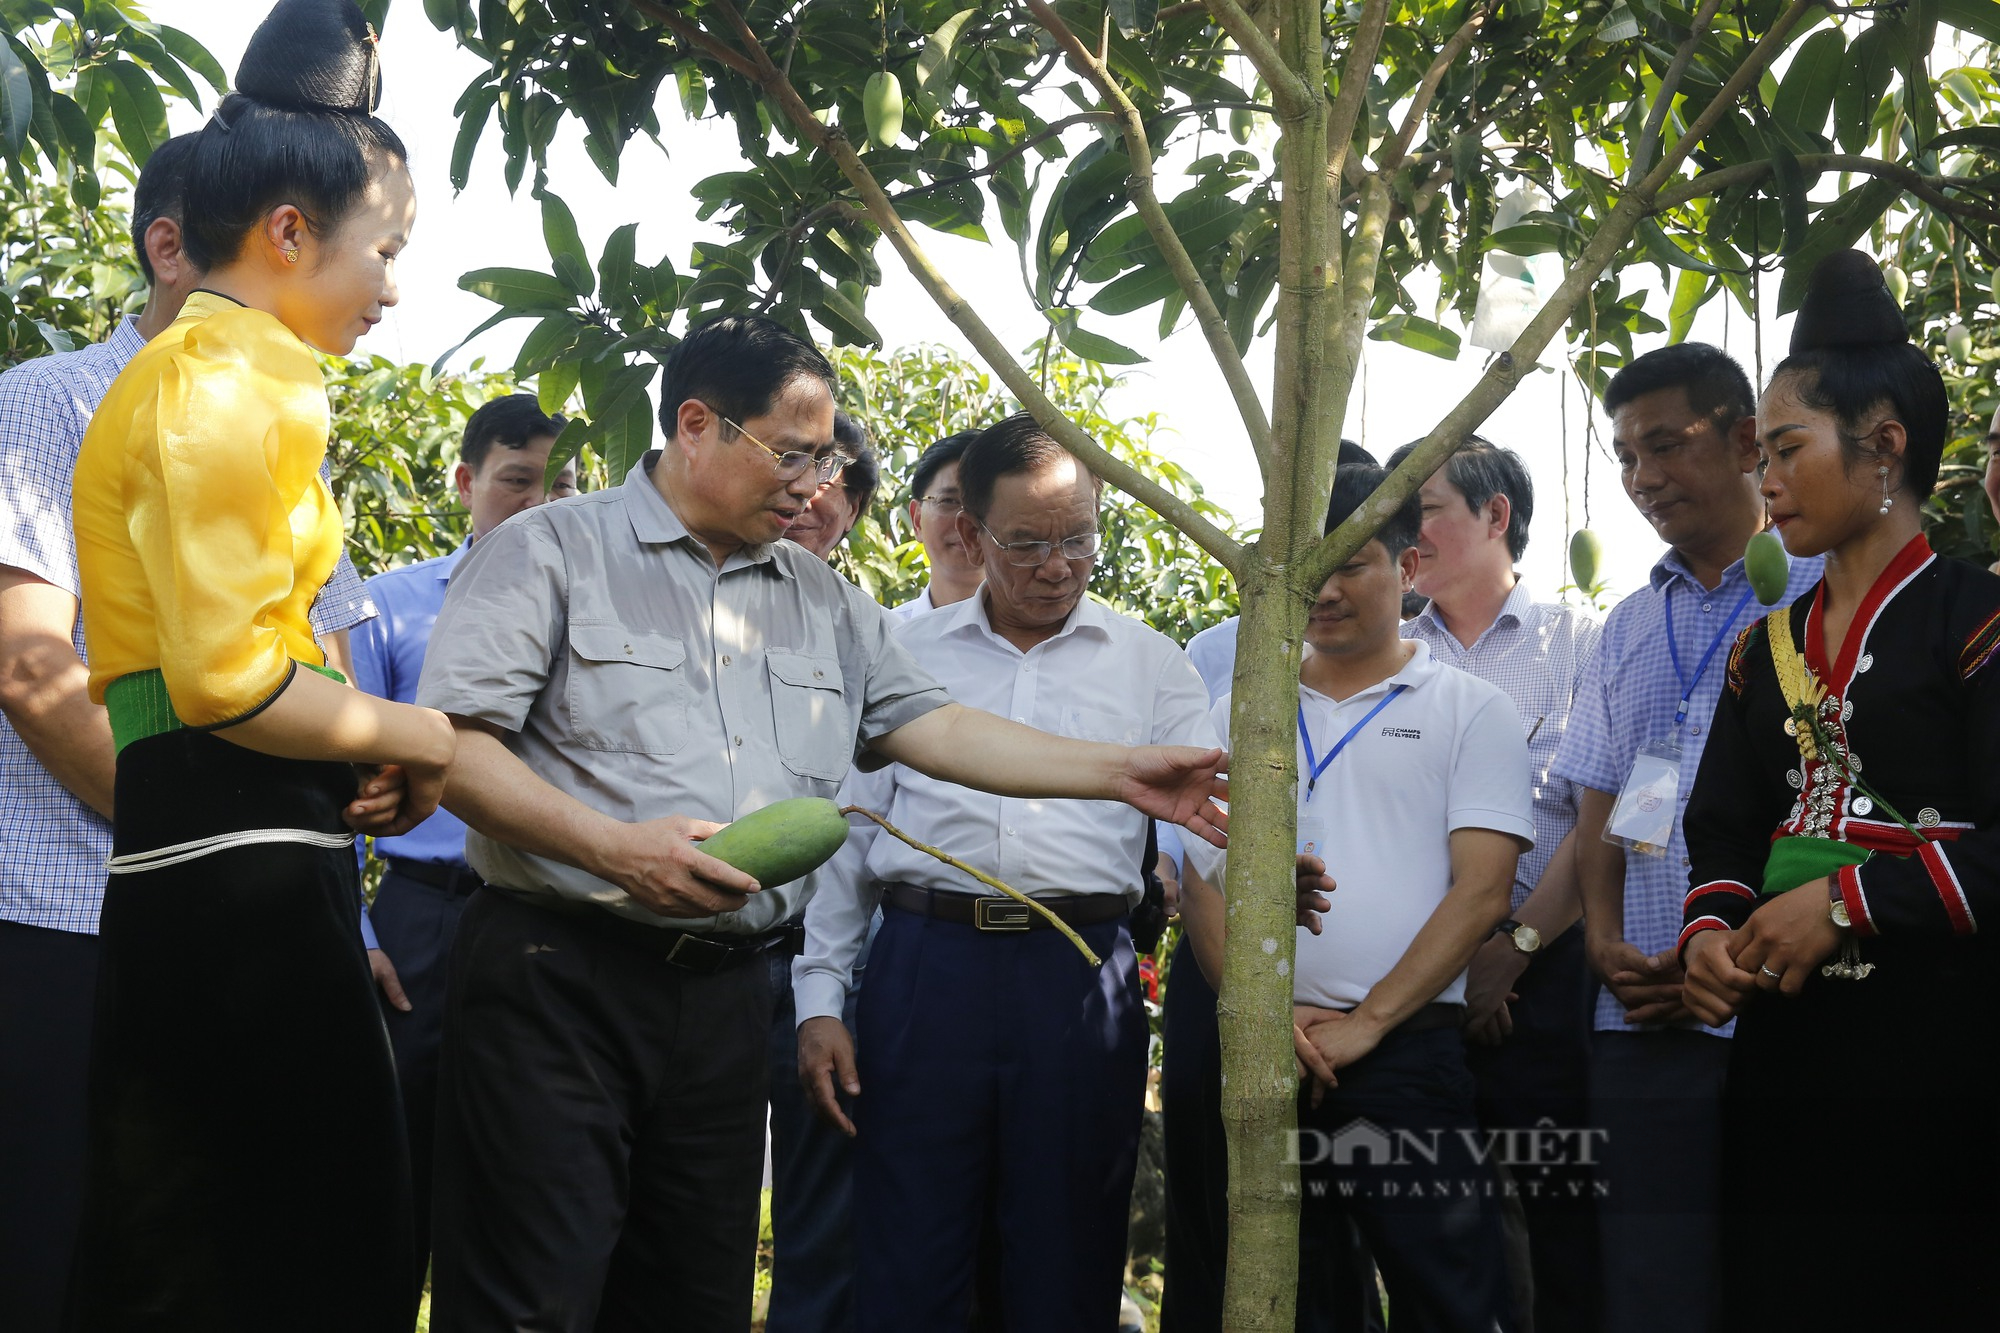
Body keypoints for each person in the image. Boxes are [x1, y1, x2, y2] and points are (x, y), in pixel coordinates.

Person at [414, 316, 1227, 1333]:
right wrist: (610, 847)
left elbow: (935, 727)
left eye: (824, 457)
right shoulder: (551, 552)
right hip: (558, 974)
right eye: (790, 453)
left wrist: (1120, 773)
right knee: (533, 1294)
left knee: (688, 1298)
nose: (813, 484)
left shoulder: (820, 599)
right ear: (696, 424)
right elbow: (456, 749)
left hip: (717, 998)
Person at [62, 3, 455, 1329]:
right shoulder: (241, 377)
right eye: (384, 251)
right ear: (291, 232)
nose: (393, 288)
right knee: (316, 1253)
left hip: (209, 853)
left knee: (187, 1257)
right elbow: (230, 678)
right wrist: (418, 738)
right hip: (236, 872)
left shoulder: (183, 370)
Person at [0, 129, 375, 1333]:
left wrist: (333, 800)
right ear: (177, 241)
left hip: (256, 890)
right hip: (67, 907)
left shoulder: (280, 405)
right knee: (80, 1254)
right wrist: (210, 814)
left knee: (252, 1255)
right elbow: (29, 666)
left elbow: (312, 646)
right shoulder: (47, 403)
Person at [792, 414, 1216, 1330]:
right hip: (922, 970)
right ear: (971, 534)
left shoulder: (1153, 667)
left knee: (1067, 1254)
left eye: (1079, 538)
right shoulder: (904, 658)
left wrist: (1265, 873)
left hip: (1077, 975)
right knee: (909, 1251)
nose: (1058, 565)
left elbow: (1207, 825)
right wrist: (821, 997)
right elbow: (847, 836)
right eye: (1027, 543)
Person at [1678, 250, 2000, 1329]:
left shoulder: (1975, 618)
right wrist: (1712, 934)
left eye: (1782, 450)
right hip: (1786, 1044)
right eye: (1755, 455)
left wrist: (1845, 898)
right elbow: (1720, 822)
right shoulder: (1759, 648)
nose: (1761, 480)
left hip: (1943, 1047)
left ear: (1882, 449)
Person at [1179, 462, 1532, 1333]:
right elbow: (1199, 885)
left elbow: (1484, 890)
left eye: (1353, 564)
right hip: (1272, 1054)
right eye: (1308, 568)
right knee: (1295, 1298)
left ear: (1408, 568)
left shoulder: (1469, 709)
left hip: (1407, 1054)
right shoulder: (1237, 712)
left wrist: (1369, 1020)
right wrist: (1271, 1017)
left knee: (1449, 1297)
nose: (1325, 590)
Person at [1550, 341, 1822, 1333]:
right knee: (1652, 1284)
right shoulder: (1627, 624)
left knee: (1788, 1271)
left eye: (1664, 445)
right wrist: (1603, 942)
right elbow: (1596, 804)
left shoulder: (1818, 588)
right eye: (1624, 456)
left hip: (1785, 1005)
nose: (1641, 478)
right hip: (1645, 1019)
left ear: (1747, 439)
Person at [350, 392, 575, 1295]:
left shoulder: (601, 623)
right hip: (421, 921)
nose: (538, 505)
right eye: (517, 481)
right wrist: (356, 935)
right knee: (389, 1171)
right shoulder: (390, 608)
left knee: (520, 1184)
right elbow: (332, 795)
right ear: (466, 482)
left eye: (560, 485)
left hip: (547, 921)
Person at [1159, 440, 1377, 1333]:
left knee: (1337, 1240)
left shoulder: (1424, 665)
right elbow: (1192, 848)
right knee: (1213, 1216)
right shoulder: (1213, 657)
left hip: (1364, 1009)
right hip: (1225, 982)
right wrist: (1251, 1003)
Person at [1388, 435, 1603, 1333]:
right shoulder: (1390, 652)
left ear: (1495, 516)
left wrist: (1511, 953)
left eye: (1425, 509)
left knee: (1566, 1229)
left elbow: (1602, 819)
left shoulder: (1581, 644)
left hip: (1546, 975)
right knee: (1429, 1241)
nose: (1407, 532)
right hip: (1408, 982)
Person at [893, 429, 985, 618]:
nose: (967, 521)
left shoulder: (1053, 638)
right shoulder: (885, 636)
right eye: (949, 501)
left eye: (983, 503)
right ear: (917, 520)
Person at [784, 408, 879, 561]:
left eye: (821, 482)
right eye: (786, 477)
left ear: (853, 509)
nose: (802, 501)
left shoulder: (841, 586)